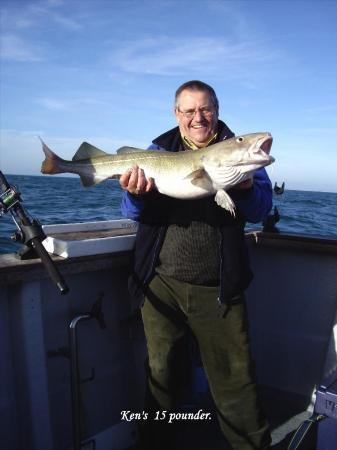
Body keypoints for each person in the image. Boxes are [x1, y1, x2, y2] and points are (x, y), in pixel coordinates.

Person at [120, 80, 272, 450]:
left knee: (236, 382)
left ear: (216, 110)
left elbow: (261, 209)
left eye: (205, 109)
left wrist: (247, 188)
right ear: (177, 114)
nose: (197, 118)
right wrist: (133, 192)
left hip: (220, 289)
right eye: (188, 111)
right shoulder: (157, 150)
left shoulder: (238, 152)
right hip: (161, 283)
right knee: (161, 378)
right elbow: (130, 212)